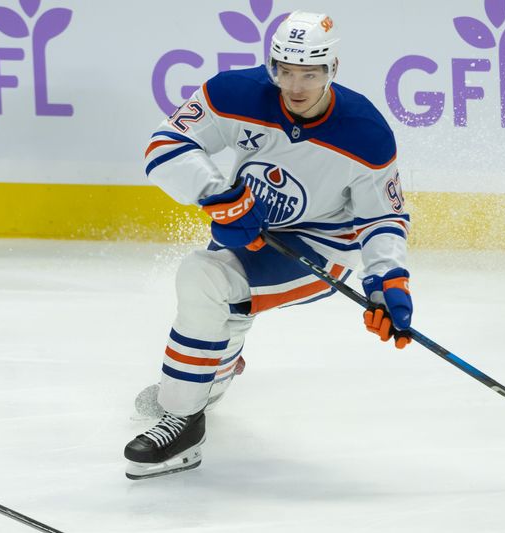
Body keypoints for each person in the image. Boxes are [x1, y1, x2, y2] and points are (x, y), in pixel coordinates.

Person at [124, 11, 412, 480]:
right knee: (219, 286)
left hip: (322, 247)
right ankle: (212, 375)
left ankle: (182, 420)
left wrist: (388, 281)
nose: (295, 87)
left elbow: (382, 216)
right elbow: (164, 143)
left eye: (310, 74)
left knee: (205, 278)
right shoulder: (234, 93)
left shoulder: (367, 133)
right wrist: (219, 195)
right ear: (271, 64)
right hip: (248, 226)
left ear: (332, 70)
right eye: (285, 71)